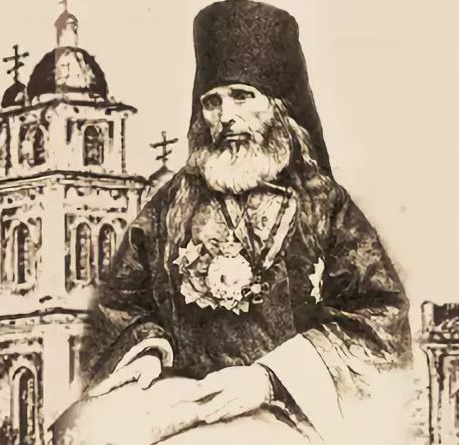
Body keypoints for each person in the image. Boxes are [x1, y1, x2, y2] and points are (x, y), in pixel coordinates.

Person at [54, 1, 412, 444]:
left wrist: (268, 379)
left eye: (242, 96)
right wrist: (146, 351)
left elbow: (379, 315)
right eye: (212, 102)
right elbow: (122, 299)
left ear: (278, 107)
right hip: (176, 395)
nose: (226, 117)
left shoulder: (324, 204)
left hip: (287, 409)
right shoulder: (171, 203)